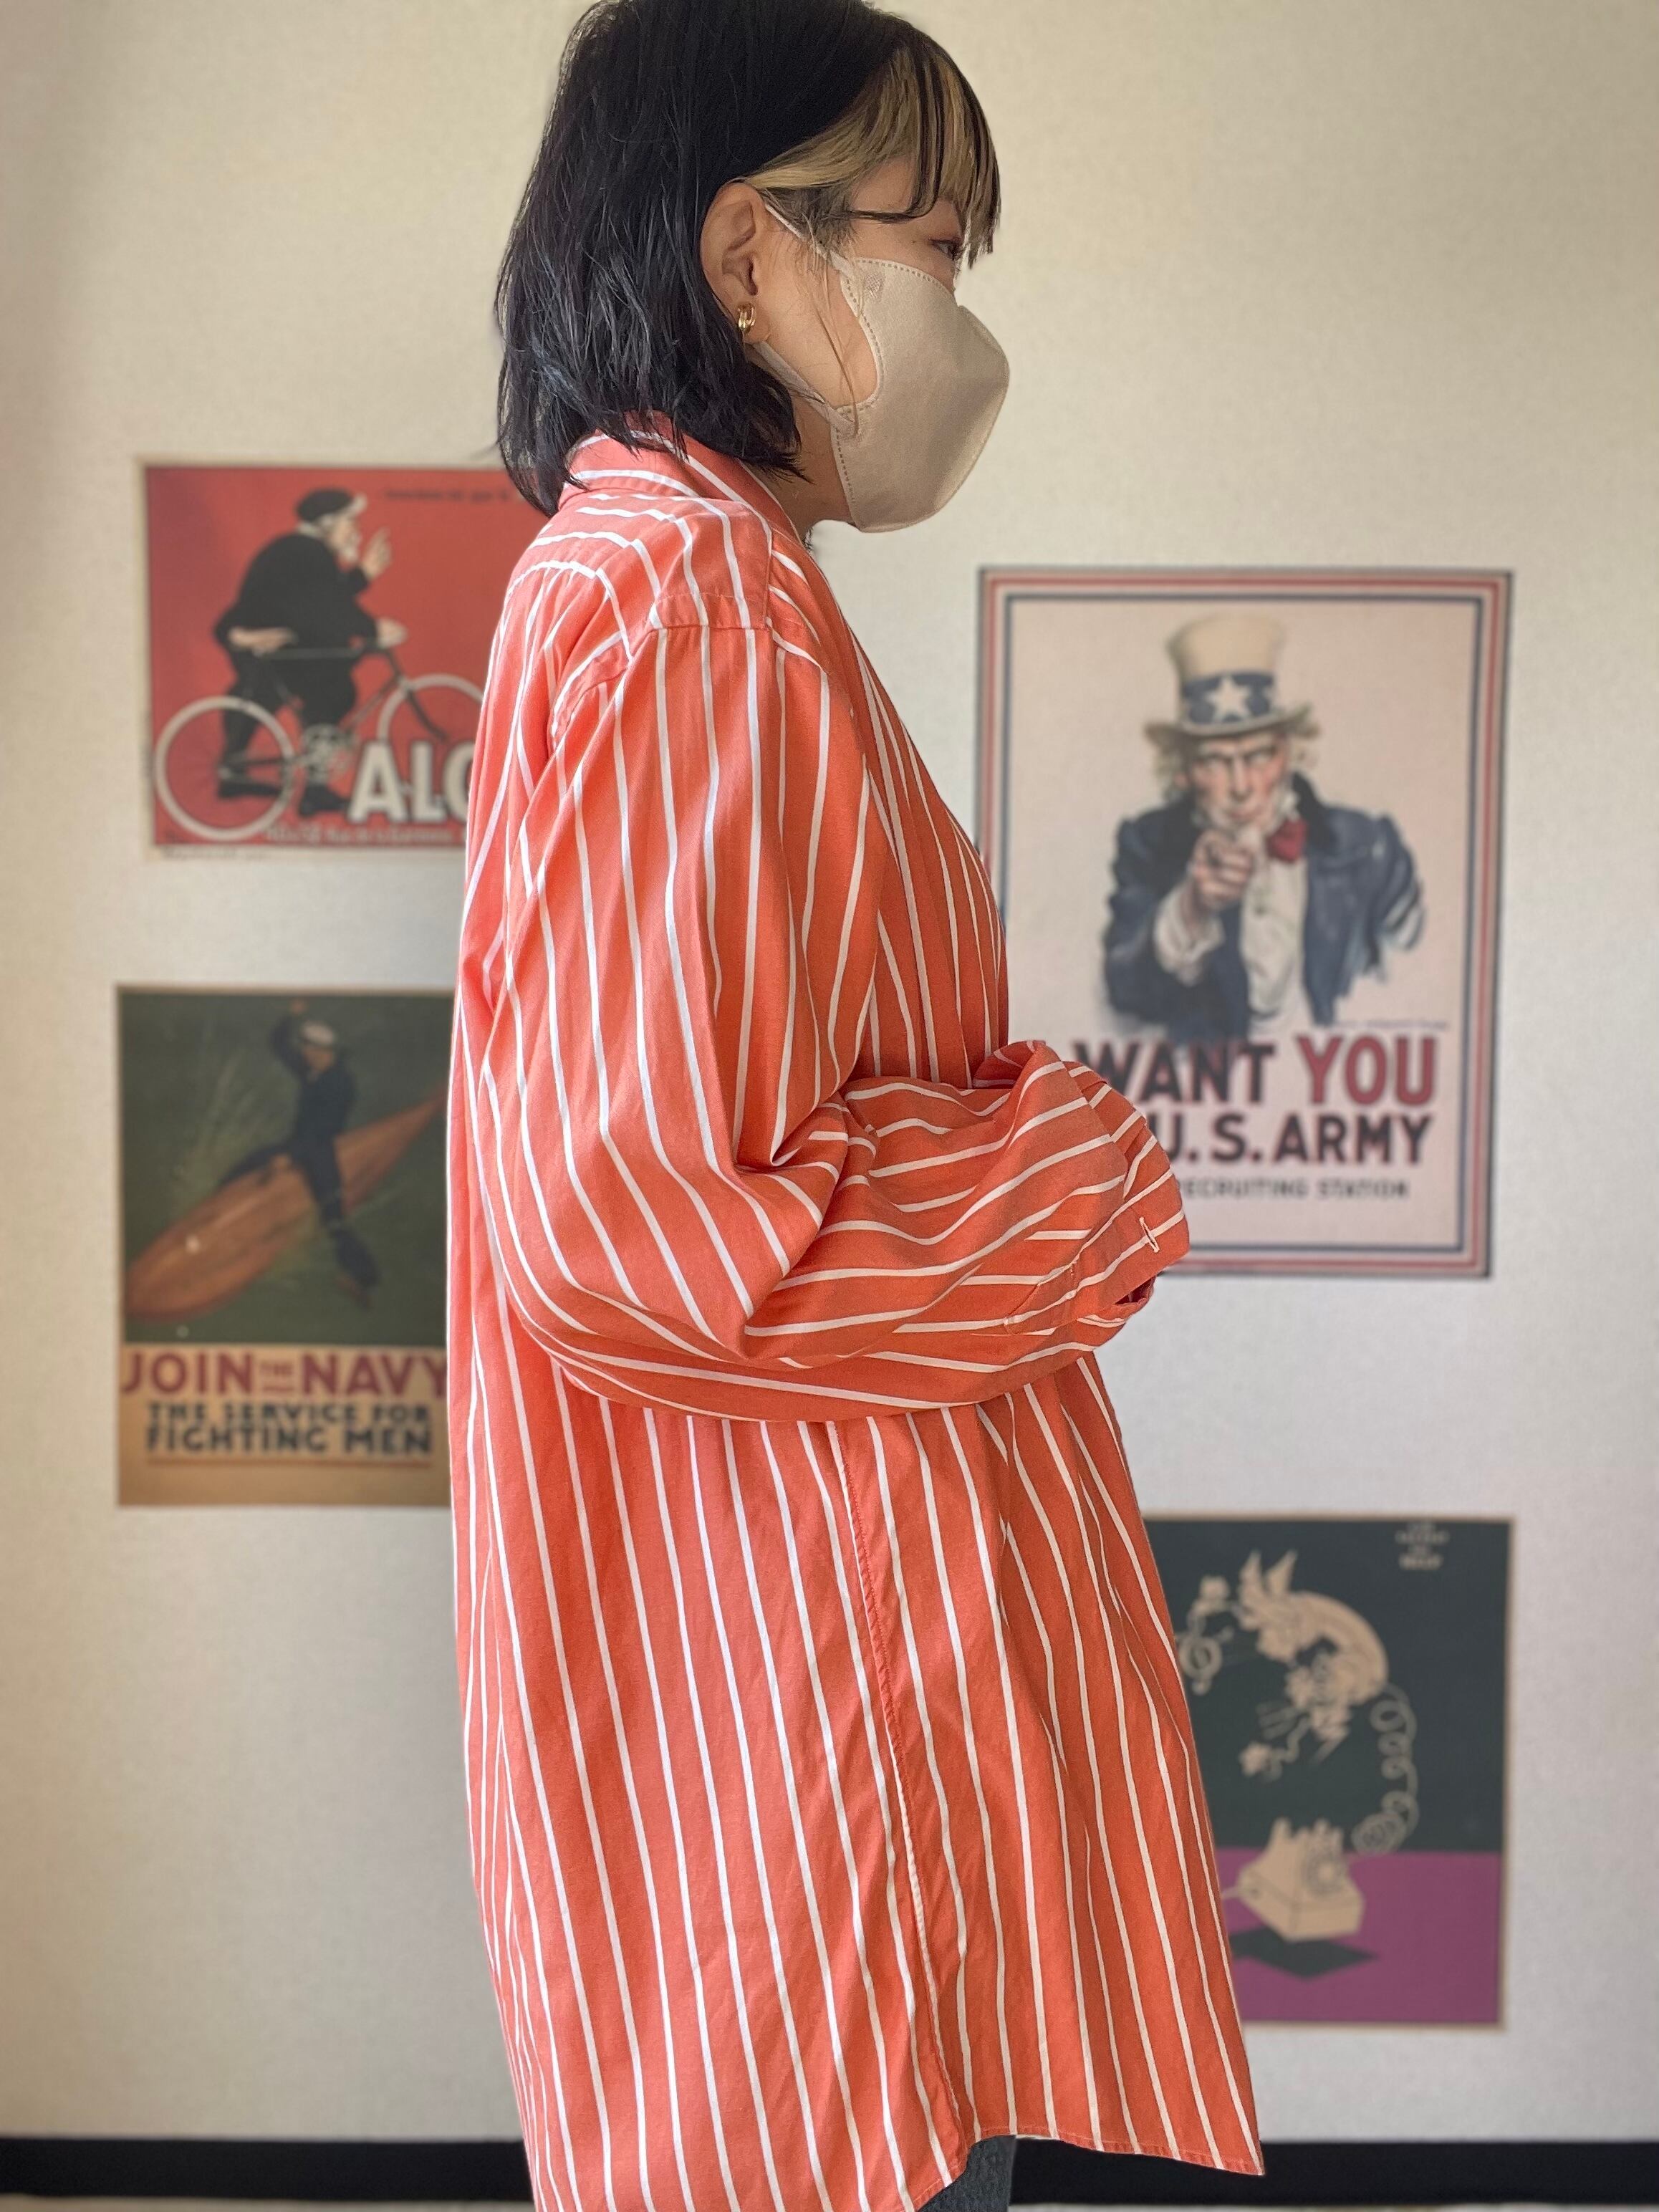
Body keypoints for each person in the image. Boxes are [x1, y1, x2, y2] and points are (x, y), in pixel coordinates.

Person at [448, 6, 1264, 2211]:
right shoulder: (685, 605)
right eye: (934, 245)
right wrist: (1068, 1170)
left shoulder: (702, 587)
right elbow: (628, 1231)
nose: (957, 317)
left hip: (827, 1691)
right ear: (750, 259)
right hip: (807, 1714)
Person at [1104, 610, 1424, 1042]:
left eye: (1257, 756)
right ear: (1183, 771)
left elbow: (1416, 988)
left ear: (1288, 754)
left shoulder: (1370, 848)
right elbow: (1125, 992)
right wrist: (1192, 906)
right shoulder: (1148, 846)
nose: (1241, 787)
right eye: (1215, 761)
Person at [211, 486, 408, 817]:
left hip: (275, 643)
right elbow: (324, 607)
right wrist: (372, 628)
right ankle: (310, 788)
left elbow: (324, 597)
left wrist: (363, 577)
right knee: (332, 691)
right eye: (350, 522)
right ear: (328, 524)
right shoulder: (306, 551)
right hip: (267, 643)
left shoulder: (303, 550)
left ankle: (289, 783)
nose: (356, 532)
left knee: (303, 694)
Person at [217, 1001, 380, 1303]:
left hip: (319, 1151)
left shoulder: (340, 1084)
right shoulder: (312, 1070)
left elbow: (322, 1130)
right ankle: (218, 1210)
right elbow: (278, 1044)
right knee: (245, 1167)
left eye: (310, 1052)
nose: (305, 1056)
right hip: (298, 1144)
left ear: (325, 1052)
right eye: (305, 1051)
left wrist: (289, 1158)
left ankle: (363, 1278)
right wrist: (291, 1017)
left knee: (334, 1220)